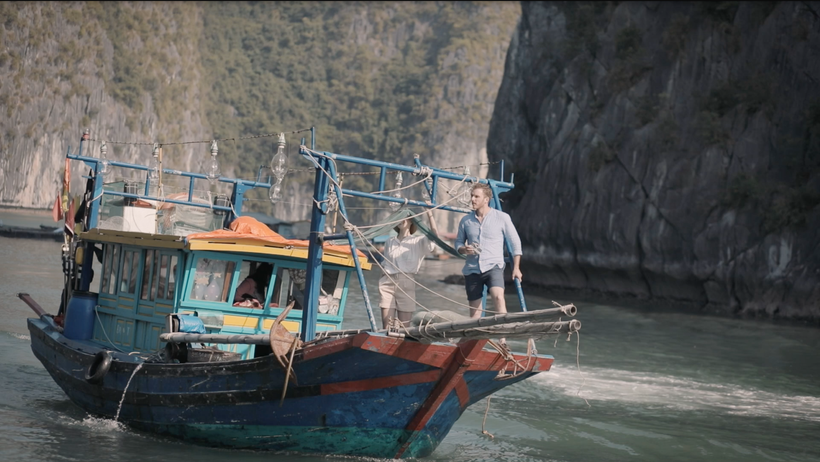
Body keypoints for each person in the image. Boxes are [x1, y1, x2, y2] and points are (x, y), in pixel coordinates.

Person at [455, 183, 523, 345]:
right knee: (475, 313)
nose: (472, 199)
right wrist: (464, 249)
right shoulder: (466, 221)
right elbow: (457, 243)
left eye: (476, 196)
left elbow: (515, 243)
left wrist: (516, 267)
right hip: (472, 269)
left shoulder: (502, 217)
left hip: (494, 266)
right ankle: (472, 344)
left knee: (498, 297)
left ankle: (502, 339)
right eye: (472, 196)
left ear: (486, 199)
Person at [378, 207, 440, 328]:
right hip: (387, 282)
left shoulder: (418, 241)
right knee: (386, 326)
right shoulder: (389, 242)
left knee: (404, 328)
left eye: (405, 218)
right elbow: (385, 263)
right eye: (399, 217)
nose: (402, 220)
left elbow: (434, 237)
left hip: (406, 283)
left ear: (411, 221)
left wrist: (429, 214)